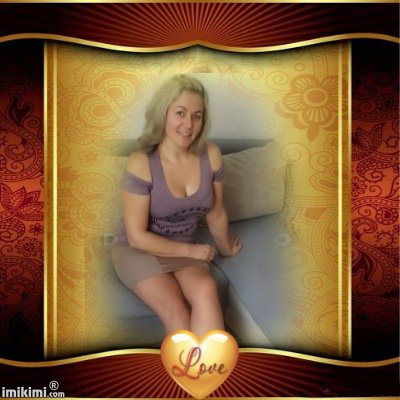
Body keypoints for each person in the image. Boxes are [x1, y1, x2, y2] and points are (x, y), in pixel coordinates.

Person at [112, 74, 242, 338]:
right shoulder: (141, 162)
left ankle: (212, 363)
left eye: (197, 116)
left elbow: (216, 212)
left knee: (206, 289)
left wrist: (225, 248)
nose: (189, 125)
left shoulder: (211, 155)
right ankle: (182, 365)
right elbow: (137, 237)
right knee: (179, 314)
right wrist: (193, 251)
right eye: (180, 113)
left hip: (183, 244)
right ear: (163, 113)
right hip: (138, 250)